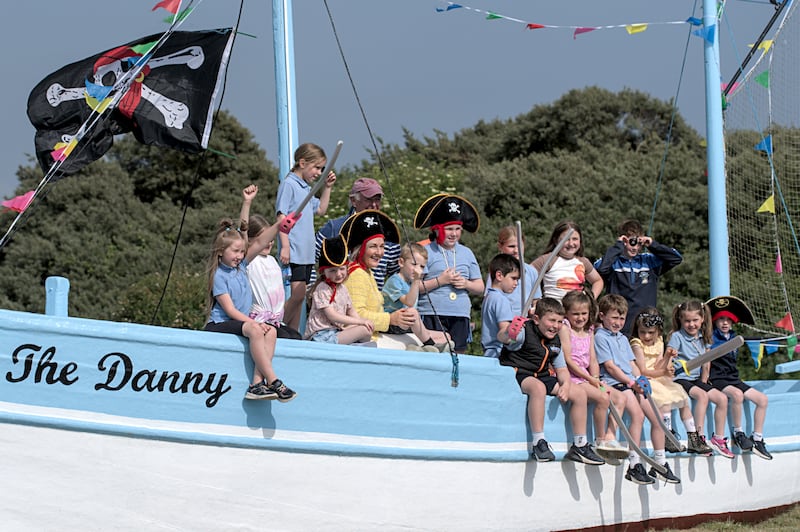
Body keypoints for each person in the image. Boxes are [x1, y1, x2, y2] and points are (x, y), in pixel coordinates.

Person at [204, 185, 296, 402]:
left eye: (241, 252)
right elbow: (229, 310)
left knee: (271, 331)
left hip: (241, 321)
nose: (239, 255)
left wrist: (280, 224)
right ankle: (274, 380)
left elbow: (261, 239)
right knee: (257, 330)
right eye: (235, 251)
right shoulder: (220, 276)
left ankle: (256, 383)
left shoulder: (241, 267)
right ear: (220, 253)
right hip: (219, 324)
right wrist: (255, 324)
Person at [498, 297, 605, 466]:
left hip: (542, 374)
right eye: (552, 321)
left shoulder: (555, 340)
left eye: (560, 322)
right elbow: (505, 339)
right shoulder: (525, 331)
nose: (555, 326)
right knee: (538, 388)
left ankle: (580, 444)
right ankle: (538, 442)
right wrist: (509, 331)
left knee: (578, 393)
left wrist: (566, 385)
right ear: (537, 319)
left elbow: (561, 369)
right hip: (521, 372)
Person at [594, 294, 680, 485]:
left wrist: (639, 378)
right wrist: (631, 382)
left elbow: (632, 364)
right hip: (617, 382)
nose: (618, 322)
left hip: (632, 382)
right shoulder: (600, 337)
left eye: (622, 318)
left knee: (658, 420)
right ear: (602, 316)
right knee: (638, 417)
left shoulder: (623, 339)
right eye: (614, 317)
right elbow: (610, 367)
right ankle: (634, 465)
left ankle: (660, 462)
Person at [629, 307, 711, 455]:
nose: (646, 336)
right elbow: (643, 370)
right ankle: (667, 435)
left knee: (683, 398)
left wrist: (667, 358)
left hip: (659, 376)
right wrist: (664, 371)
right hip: (646, 379)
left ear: (658, 331)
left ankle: (693, 437)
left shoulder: (659, 341)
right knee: (665, 401)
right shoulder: (637, 344)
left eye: (651, 332)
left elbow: (659, 364)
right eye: (643, 332)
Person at [275, 142, 337, 332]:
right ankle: (275, 324)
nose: (319, 172)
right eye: (316, 167)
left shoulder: (306, 189)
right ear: (302, 163)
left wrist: (327, 187)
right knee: (298, 294)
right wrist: (285, 246)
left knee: (301, 297)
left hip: (306, 253)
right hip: (294, 250)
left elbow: (320, 209)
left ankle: (292, 332)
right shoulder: (289, 184)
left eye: (321, 169)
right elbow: (281, 216)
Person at [414, 194, 485, 354]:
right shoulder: (426, 251)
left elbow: (481, 287)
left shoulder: (467, 253)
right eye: (449, 229)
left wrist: (466, 284)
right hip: (432, 313)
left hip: (460, 314)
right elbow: (416, 287)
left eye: (457, 229)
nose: (454, 234)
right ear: (438, 229)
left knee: (458, 354)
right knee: (433, 353)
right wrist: (441, 280)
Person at [341, 209, 423, 344]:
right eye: (373, 246)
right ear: (360, 249)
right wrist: (390, 319)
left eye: (382, 246)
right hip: (364, 340)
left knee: (440, 339)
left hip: (374, 334)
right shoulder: (357, 275)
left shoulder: (366, 272)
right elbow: (357, 315)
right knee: (421, 345)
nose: (379, 252)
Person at [558, 290, 624, 458]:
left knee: (617, 397)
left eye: (584, 314)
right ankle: (599, 440)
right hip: (574, 377)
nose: (580, 318)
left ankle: (610, 436)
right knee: (603, 397)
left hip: (587, 378)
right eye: (575, 314)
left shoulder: (589, 331)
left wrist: (596, 379)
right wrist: (590, 379)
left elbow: (593, 359)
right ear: (567, 314)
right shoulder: (565, 329)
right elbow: (568, 360)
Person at [706, 295, 772, 460]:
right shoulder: (710, 338)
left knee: (762, 399)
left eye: (728, 319)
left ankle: (757, 438)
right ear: (715, 321)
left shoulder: (735, 337)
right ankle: (738, 433)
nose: (725, 323)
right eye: (721, 319)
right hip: (718, 379)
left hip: (733, 378)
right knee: (737, 395)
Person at [668, 300, 733, 458]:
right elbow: (669, 358)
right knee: (702, 396)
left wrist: (704, 381)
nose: (691, 324)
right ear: (681, 321)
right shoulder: (677, 336)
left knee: (722, 399)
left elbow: (706, 361)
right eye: (687, 321)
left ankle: (718, 438)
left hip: (696, 379)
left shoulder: (704, 337)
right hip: (680, 378)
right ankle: (698, 437)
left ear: (702, 319)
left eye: (695, 320)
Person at [594, 219, 682, 335]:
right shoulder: (613, 261)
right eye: (632, 242)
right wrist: (618, 246)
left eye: (639, 243)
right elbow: (601, 269)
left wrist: (652, 244)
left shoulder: (649, 261)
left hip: (645, 327)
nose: (635, 247)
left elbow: (676, 258)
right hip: (619, 325)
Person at [314, 178, 400, 290]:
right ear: (353, 200)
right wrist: (313, 289)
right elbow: (310, 260)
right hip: (336, 301)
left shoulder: (389, 230)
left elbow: (396, 274)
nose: (374, 204)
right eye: (368, 199)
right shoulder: (334, 228)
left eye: (377, 199)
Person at [382, 242, 452, 352]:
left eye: (422, 266)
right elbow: (409, 303)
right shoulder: (394, 281)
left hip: (407, 325)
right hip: (394, 323)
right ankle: (430, 344)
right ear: (401, 262)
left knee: (446, 336)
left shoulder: (410, 283)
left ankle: (419, 349)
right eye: (414, 264)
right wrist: (416, 281)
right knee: (412, 312)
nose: (417, 269)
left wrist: (414, 282)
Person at [305, 235, 374, 345]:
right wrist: (360, 322)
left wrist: (361, 322)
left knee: (367, 329)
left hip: (336, 332)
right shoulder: (322, 288)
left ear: (347, 268)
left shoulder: (343, 288)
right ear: (323, 272)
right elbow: (332, 315)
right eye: (332, 270)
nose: (338, 274)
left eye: (342, 269)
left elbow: (352, 311)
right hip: (321, 336)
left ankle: (357, 351)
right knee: (364, 329)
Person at [245, 214, 301, 340]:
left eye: (271, 239)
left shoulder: (272, 260)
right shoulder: (248, 260)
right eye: (265, 239)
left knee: (295, 336)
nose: (269, 242)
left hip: (275, 321)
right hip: (258, 319)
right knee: (285, 338)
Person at [531, 221, 603, 302]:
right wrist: (535, 300)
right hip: (553, 311)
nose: (571, 243)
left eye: (575, 239)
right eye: (566, 239)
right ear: (556, 240)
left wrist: (590, 299)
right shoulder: (547, 260)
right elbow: (527, 276)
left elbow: (598, 281)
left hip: (576, 311)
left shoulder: (583, 262)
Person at [492, 225, 541, 315]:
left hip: (525, 321)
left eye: (519, 246)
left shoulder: (531, 271)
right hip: (505, 319)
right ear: (500, 246)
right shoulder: (497, 270)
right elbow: (492, 296)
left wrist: (535, 309)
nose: (516, 250)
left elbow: (536, 299)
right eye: (511, 246)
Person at [481, 253, 520, 358]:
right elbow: (505, 332)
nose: (516, 283)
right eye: (513, 278)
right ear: (499, 275)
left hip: (488, 352)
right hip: (499, 354)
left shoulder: (489, 297)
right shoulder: (501, 300)